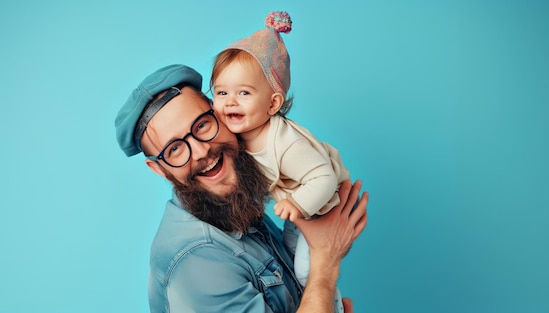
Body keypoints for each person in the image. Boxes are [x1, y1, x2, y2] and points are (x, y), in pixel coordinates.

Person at [114, 64, 368, 313]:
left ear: (222, 114)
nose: (202, 151)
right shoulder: (197, 262)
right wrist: (325, 260)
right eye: (175, 149)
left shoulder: (232, 204)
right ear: (159, 169)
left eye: (202, 125)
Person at [209, 12, 350, 313]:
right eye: (221, 93)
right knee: (288, 259)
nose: (230, 101)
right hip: (297, 208)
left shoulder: (286, 144)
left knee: (305, 270)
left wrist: (298, 205)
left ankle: (334, 307)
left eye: (243, 93)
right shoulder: (243, 131)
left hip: (319, 205)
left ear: (273, 103)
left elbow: (323, 178)